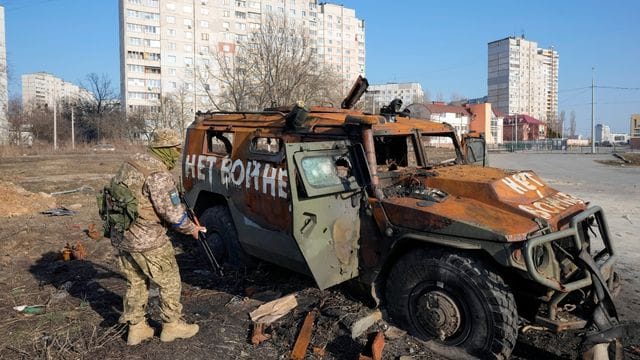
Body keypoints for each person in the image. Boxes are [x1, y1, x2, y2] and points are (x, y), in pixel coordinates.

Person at [109, 128, 205, 345]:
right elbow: (171, 213)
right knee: (170, 280)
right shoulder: (158, 174)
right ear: (167, 149)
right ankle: (171, 325)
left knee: (135, 281)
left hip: (122, 235)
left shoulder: (132, 162)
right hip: (147, 239)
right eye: (176, 149)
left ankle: (136, 328)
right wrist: (192, 229)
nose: (177, 153)